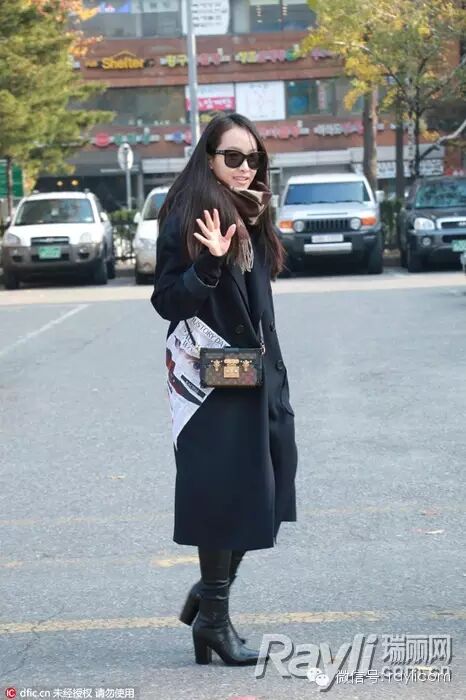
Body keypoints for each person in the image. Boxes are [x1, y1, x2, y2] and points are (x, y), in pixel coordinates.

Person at [150, 113, 298, 666]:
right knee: (222, 493)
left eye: (253, 158)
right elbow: (168, 300)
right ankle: (213, 617)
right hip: (209, 378)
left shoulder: (253, 211)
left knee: (272, 481)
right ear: (209, 159)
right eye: (232, 157)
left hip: (257, 371)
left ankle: (209, 598)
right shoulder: (187, 213)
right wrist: (210, 262)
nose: (245, 168)